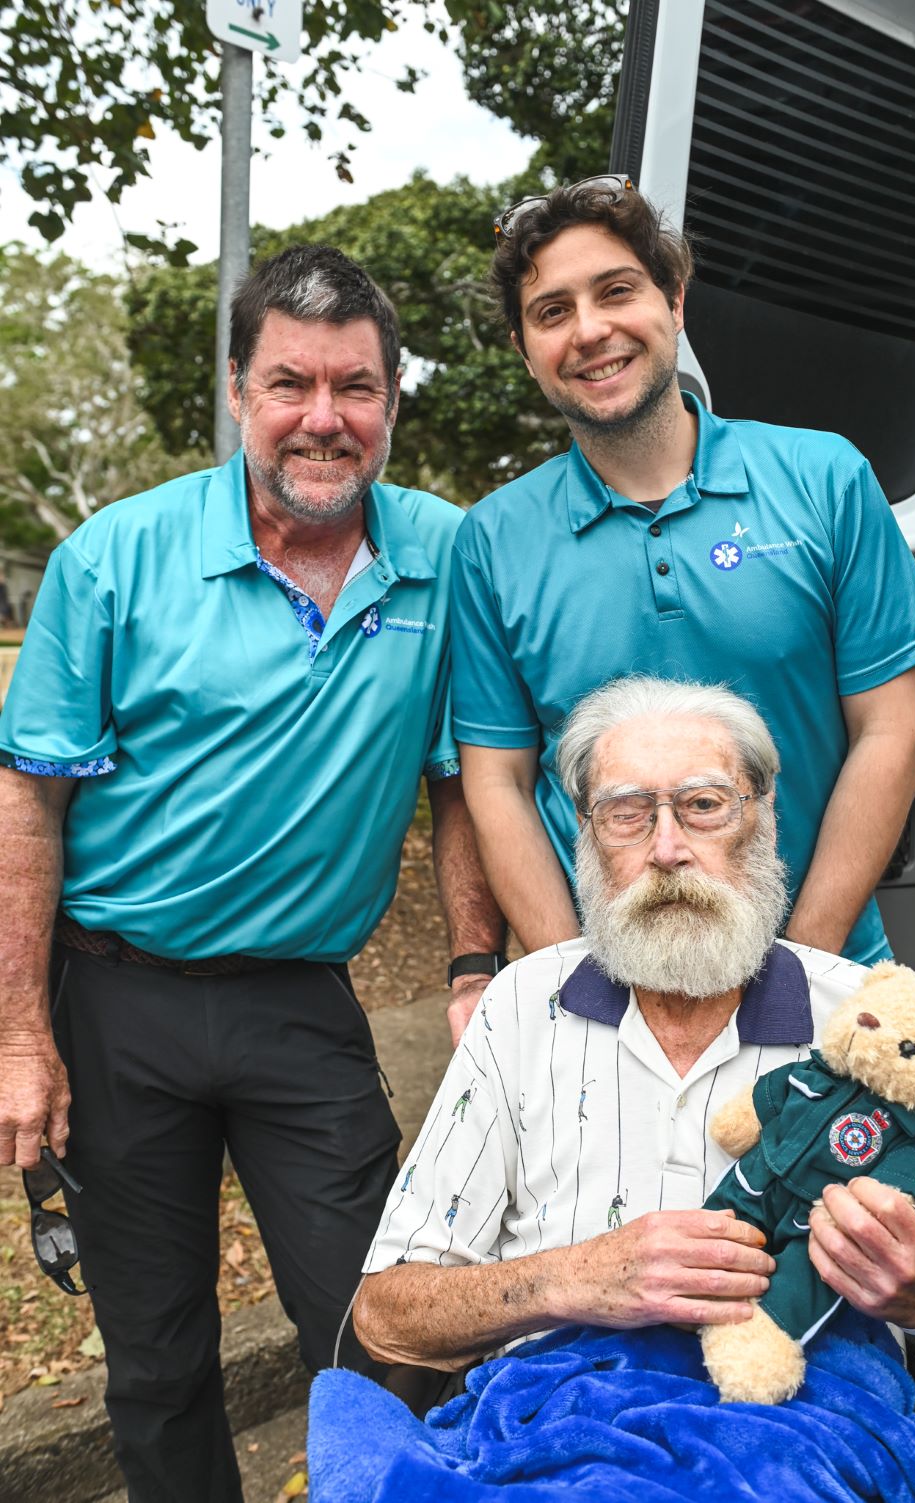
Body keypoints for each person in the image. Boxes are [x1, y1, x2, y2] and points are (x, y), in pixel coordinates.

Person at [0, 245, 504, 1503]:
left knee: (381, 1328)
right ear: (236, 389)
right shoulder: (115, 557)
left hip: (301, 1004)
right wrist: (21, 1037)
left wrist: (471, 961)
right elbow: (29, 799)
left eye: (357, 387)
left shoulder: (452, 556)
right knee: (157, 1361)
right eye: (290, 383)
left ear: (392, 399)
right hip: (118, 1003)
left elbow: (465, 779)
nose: (322, 419)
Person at [353, 677, 915, 1379]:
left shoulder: (873, 1024)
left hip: (801, 1436)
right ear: (587, 838)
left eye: (703, 805)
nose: (667, 849)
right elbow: (385, 1314)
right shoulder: (520, 1007)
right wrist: (577, 1279)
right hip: (557, 1439)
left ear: (763, 818)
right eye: (626, 813)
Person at [450, 174, 915, 968]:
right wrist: (572, 987)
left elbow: (888, 729)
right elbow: (499, 783)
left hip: (826, 965)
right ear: (524, 350)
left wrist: (804, 967)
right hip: (612, 991)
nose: (589, 330)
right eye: (552, 312)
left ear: (675, 302)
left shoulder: (826, 480)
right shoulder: (490, 541)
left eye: (617, 290)